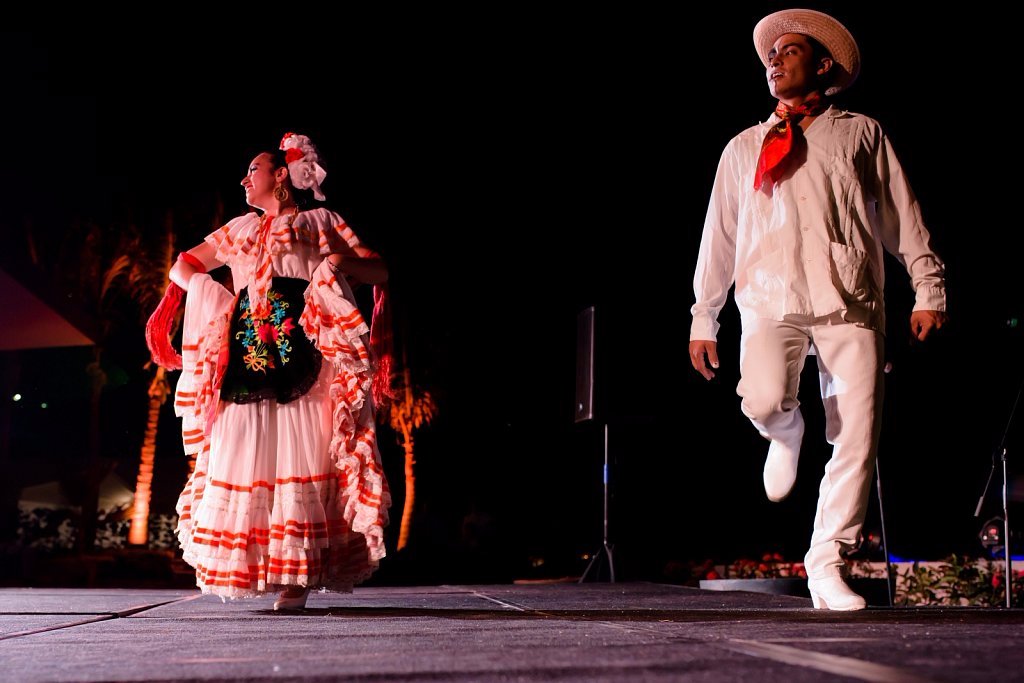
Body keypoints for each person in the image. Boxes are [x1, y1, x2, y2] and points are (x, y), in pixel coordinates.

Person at [688, 9, 947, 610]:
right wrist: (705, 316)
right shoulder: (744, 146)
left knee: (856, 432)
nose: (773, 59)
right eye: (769, 54)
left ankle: (827, 561)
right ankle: (784, 429)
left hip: (849, 297)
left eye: (789, 50)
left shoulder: (861, 132)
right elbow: (718, 237)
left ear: (823, 64)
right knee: (760, 396)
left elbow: (901, 216)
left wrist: (928, 287)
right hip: (769, 294)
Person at [146, 132, 392, 610]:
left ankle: (294, 577)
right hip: (247, 350)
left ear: (281, 175)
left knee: (301, 450)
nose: (244, 178)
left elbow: (379, 270)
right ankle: (261, 565)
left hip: (305, 350)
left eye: (252, 170)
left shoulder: (321, 221)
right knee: (247, 450)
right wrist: (214, 296)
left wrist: (338, 262)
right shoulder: (239, 228)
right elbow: (184, 265)